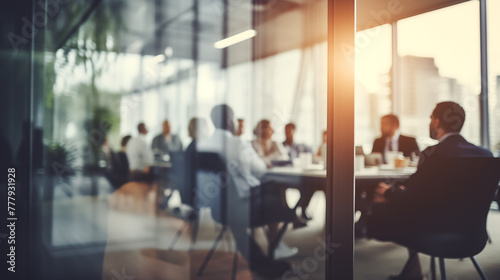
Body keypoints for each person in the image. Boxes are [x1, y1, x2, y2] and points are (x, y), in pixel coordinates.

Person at [368, 102, 493, 280]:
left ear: (436, 122)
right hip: (474, 236)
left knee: (383, 204)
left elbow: (414, 199)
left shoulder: (434, 154)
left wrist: (388, 193)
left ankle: (413, 273)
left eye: (430, 119)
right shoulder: (485, 155)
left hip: (434, 234)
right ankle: (413, 273)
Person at [197, 105, 297, 278]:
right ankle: (274, 249)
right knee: (275, 193)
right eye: (235, 119)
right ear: (229, 121)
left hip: (218, 209)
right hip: (241, 209)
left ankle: (261, 262)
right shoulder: (237, 143)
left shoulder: (203, 144)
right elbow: (260, 170)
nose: (236, 123)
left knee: (253, 198)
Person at [282, 123, 317, 220]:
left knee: (310, 185)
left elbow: (311, 154)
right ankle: (293, 213)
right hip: (289, 176)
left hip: (301, 174)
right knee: (307, 185)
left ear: (294, 131)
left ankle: (301, 210)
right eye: (286, 131)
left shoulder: (300, 146)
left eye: (290, 131)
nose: (288, 133)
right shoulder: (281, 146)